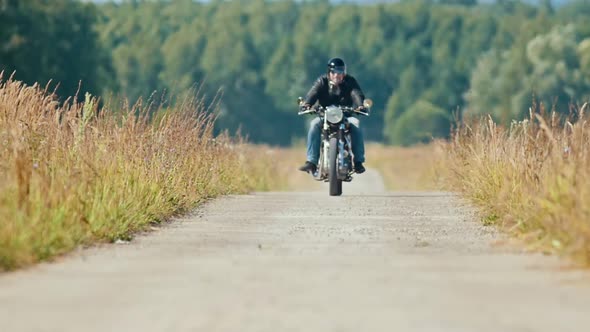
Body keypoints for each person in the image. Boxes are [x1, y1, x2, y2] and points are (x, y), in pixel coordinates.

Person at [298, 57, 367, 174]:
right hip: (324, 115)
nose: (337, 75)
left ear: (344, 73)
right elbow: (313, 92)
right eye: (334, 72)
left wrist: (360, 105)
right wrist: (307, 104)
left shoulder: (350, 81)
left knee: (356, 123)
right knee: (314, 124)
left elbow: (356, 93)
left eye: (340, 72)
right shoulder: (322, 81)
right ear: (329, 73)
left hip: (345, 115)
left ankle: (359, 162)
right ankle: (311, 162)